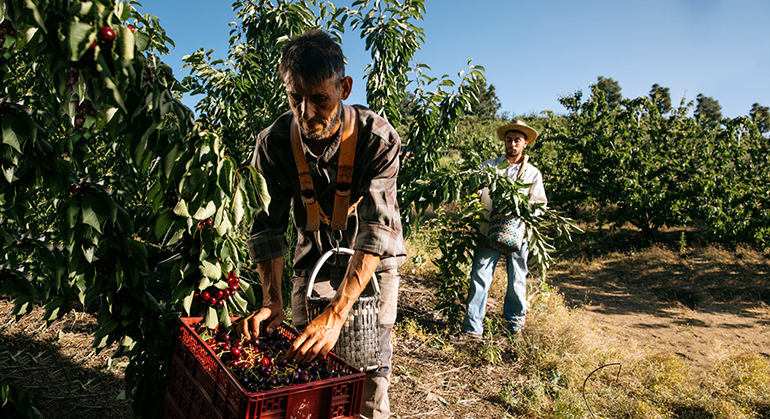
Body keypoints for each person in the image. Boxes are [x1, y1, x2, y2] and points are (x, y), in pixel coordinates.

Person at [237, 29, 406, 419]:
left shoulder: (377, 138)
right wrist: (270, 301)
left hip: (371, 260)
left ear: (344, 88)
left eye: (319, 99)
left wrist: (338, 311)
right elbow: (267, 226)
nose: (306, 113)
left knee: (370, 367)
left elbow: (377, 230)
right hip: (311, 255)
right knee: (306, 362)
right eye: (295, 98)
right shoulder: (274, 142)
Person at [460, 120, 547, 339]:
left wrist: (523, 212)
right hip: (488, 229)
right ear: (504, 142)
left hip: (518, 232)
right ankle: (472, 329)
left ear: (525, 143)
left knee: (517, 277)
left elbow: (539, 204)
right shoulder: (489, 166)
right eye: (509, 140)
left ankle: (514, 325)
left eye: (517, 140)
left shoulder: (532, 173)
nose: (512, 144)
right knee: (480, 275)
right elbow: (475, 190)